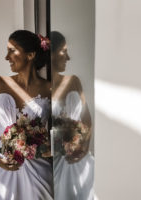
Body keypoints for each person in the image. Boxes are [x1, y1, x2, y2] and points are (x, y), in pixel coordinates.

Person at [0, 30, 53, 200]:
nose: (7, 57)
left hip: (37, 170)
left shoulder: (50, 89)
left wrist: (48, 148)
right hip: (2, 165)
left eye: (12, 50)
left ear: (31, 55)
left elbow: (60, 130)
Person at [51, 31, 94, 200]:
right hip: (54, 161)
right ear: (50, 54)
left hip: (79, 157)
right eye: (63, 51)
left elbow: (87, 119)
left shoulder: (74, 80)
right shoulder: (38, 88)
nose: (68, 58)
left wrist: (83, 148)